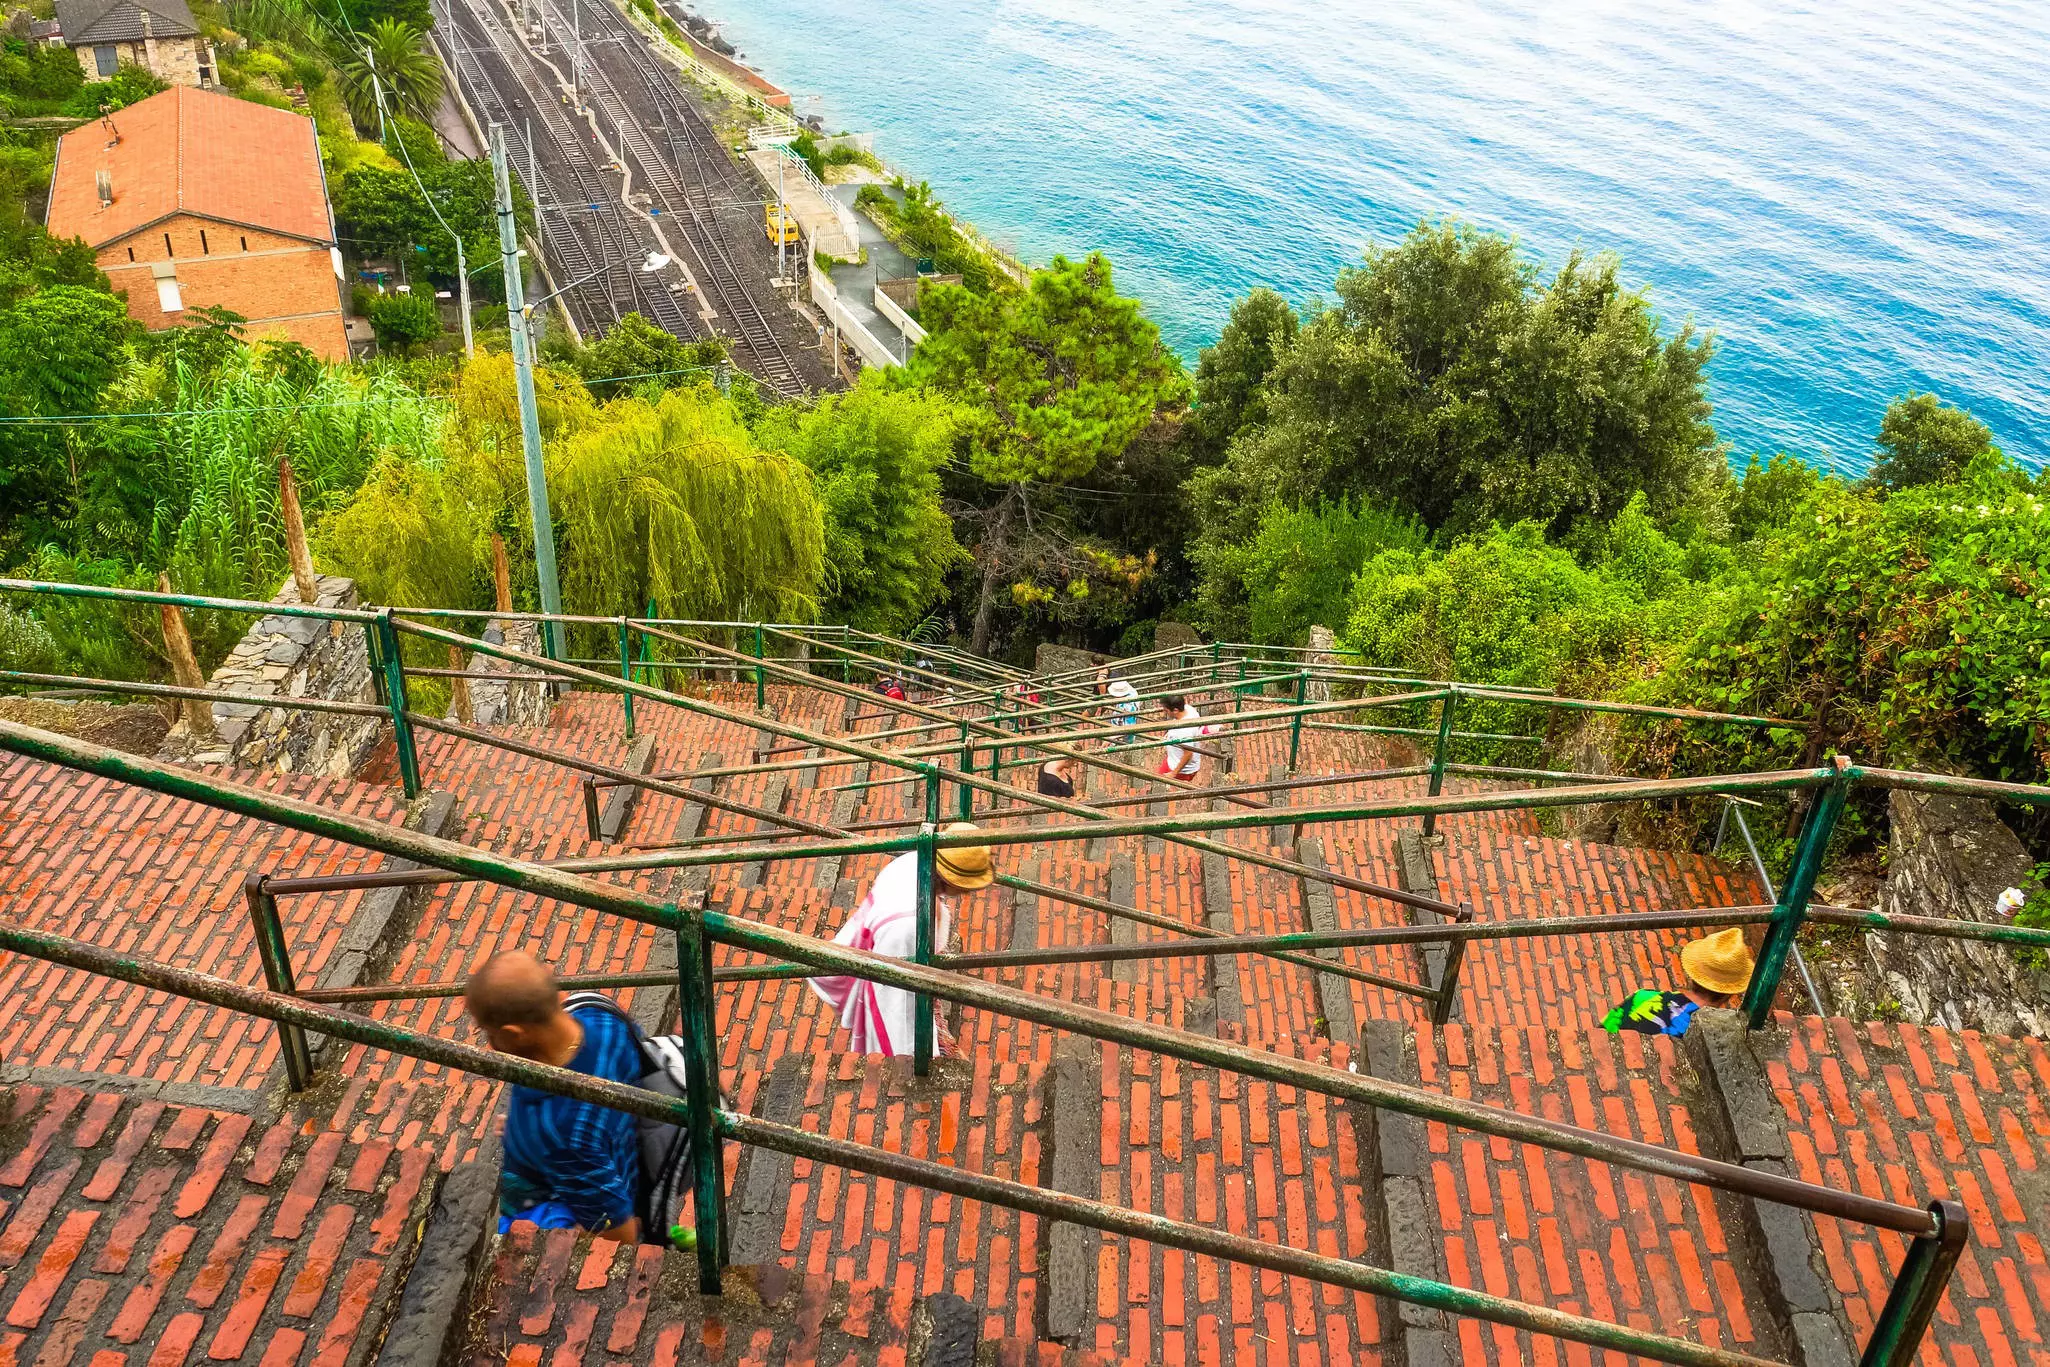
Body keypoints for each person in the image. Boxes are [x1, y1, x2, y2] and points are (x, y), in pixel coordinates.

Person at [466, 950, 644, 1240]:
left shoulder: (557, 1130)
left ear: (513, 1034)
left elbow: (619, 1232)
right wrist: (520, 1129)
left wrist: (572, 1239)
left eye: (489, 1032)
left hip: (551, 1196)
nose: (489, 1043)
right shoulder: (598, 1013)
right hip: (620, 1151)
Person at [809, 823, 995, 1057]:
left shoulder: (910, 862)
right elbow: (897, 1006)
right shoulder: (908, 925)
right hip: (892, 982)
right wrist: (914, 1056)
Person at [1600, 928, 1755, 1037]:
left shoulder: (1641, 998)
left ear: (1693, 975)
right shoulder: (1715, 1034)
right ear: (1730, 992)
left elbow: (1603, 1030)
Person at [1158, 694, 1209, 780]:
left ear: (1175, 710)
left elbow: (1188, 753)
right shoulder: (1189, 709)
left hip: (1181, 770)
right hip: (1173, 760)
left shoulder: (1184, 731)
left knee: (1161, 782)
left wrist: (1174, 773)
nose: (1165, 712)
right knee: (1158, 779)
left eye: (1166, 710)